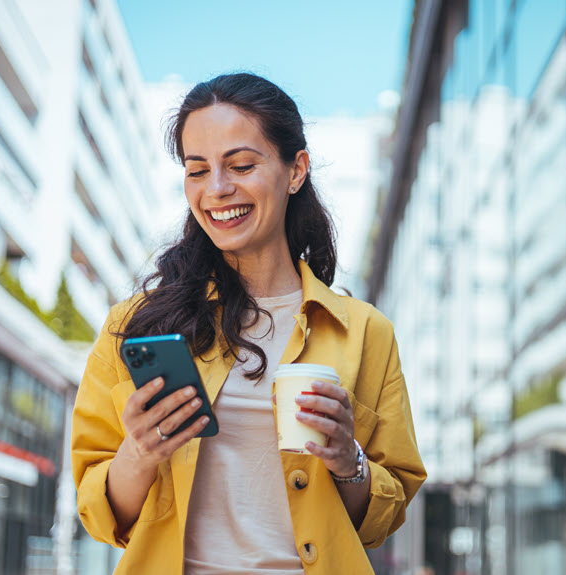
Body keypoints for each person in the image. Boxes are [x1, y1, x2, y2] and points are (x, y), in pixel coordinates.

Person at [71, 73, 426, 574]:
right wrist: (141, 452)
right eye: (197, 170)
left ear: (295, 170)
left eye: (240, 165)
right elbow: (101, 514)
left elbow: (382, 519)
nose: (216, 190)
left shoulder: (366, 333)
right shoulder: (137, 325)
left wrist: (350, 461)